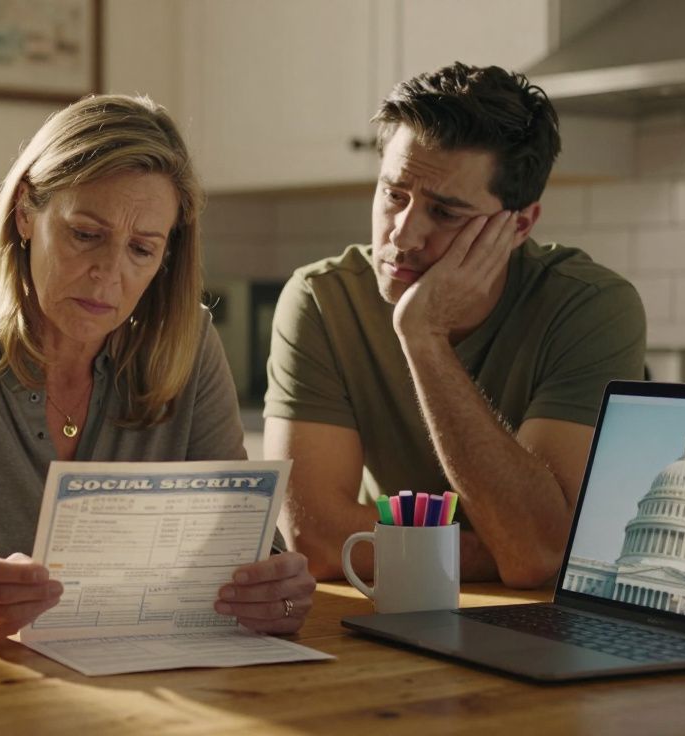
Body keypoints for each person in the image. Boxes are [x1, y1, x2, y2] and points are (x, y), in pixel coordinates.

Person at [0, 94, 315, 644]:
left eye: (142, 250)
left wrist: (275, 586)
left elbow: (241, 541)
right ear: (25, 212)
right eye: (86, 235)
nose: (109, 274)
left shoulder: (191, 343)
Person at [264, 63, 646, 589]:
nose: (403, 235)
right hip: (399, 607)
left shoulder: (591, 306)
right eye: (394, 194)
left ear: (520, 224)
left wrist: (425, 338)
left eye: (445, 213)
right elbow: (320, 542)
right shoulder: (321, 299)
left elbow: (537, 553)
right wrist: (503, 548)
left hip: (541, 626)